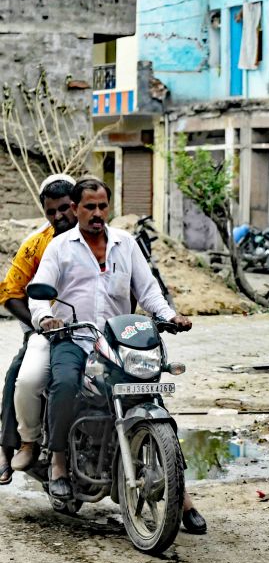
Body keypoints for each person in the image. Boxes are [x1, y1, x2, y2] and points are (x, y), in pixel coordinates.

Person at [27, 178, 207, 534]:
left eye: (102, 206)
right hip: (76, 338)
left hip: (121, 342)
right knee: (63, 383)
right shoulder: (61, 247)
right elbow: (38, 294)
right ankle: (60, 463)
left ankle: (179, 491)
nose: (96, 214)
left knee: (150, 394)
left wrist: (171, 316)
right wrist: (45, 316)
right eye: (89, 207)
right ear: (75, 208)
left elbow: (149, 291)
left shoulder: (126, 245)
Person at [0, 174, 78, 485]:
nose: (59, 217)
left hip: (92, 329)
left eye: (64, 209)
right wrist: (39, 323)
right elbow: (9, 292)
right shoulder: (37, 245)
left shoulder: (106, 240)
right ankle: (10, 447)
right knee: (19, 375)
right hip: (44, 328)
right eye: (51, 211)